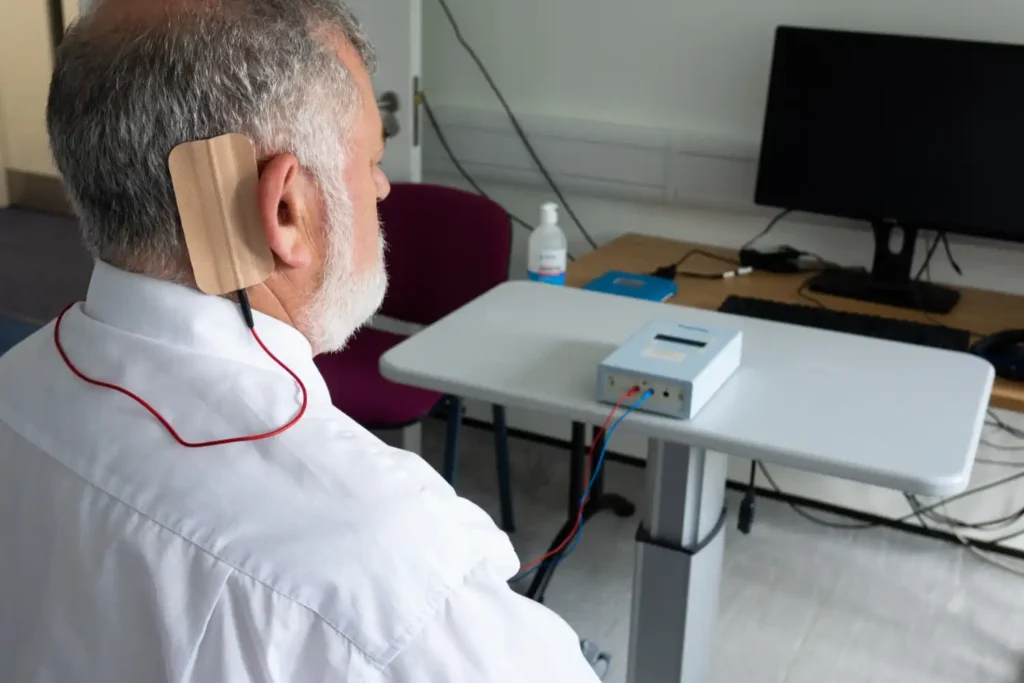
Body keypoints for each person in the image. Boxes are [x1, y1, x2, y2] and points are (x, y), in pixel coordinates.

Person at [0, 1, 601, 681]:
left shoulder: (13, 384)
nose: (380, 186)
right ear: (285, 210)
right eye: (371, 159)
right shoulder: (388, 572)